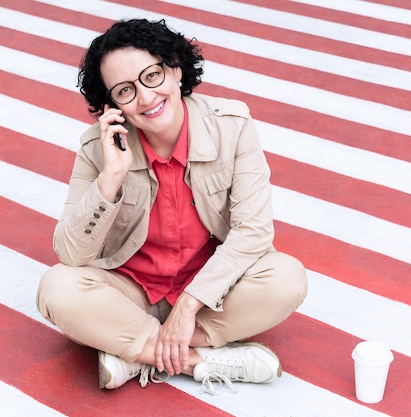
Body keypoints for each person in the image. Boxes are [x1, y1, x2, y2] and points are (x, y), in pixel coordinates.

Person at [36, 18, 308, 394]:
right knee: (57, 288)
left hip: (211, 293)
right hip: (131, 291)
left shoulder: (232, 126)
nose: (146, 98)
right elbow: (70, 253)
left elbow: (253, 231)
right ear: (112, 105)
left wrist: (188, 306)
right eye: (125, 91)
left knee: (286, 277)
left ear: (176, 68)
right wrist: (110, 178)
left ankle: (135, 352)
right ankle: (200, 360)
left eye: (152, 75)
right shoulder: (97, 148)